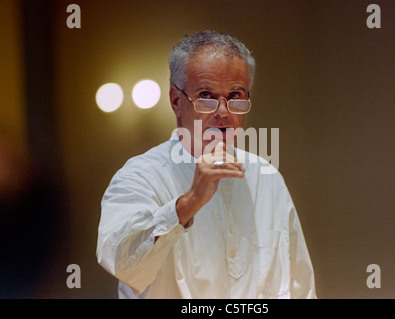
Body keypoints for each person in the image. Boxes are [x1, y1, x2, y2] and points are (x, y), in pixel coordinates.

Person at [96, 30, 316, 299]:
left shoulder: (266, 177)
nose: (223, 113)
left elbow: (299, 286)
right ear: (176, 101)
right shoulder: (140, 176)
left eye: (235, 96)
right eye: (206, 96)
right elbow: (124, 264)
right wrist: (188, 203)